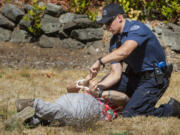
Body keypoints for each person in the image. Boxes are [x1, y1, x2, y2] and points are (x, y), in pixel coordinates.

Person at [89, 3, 180, 118]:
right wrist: (99, 86)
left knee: (131, 114)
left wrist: (100, 61)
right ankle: (133, 102)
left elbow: (124, 51)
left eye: (108, 23)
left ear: (119, 18)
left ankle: (171, 109)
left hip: (153, 79)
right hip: (135, 79)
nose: (107, 27)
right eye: (105, 24)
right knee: (105, 83)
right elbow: (115, 74)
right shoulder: (114, 40)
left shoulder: (137, 29)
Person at [13, 75, 129, 128]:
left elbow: (124, 98)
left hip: (93, 107)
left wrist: (99, 94)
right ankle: (34, 105)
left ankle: (33, 118)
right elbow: (69, 88)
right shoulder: (96, 87)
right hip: (73, 99)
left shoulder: (116, 101)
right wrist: (83, 82)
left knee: (61, 112)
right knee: (61, 110)